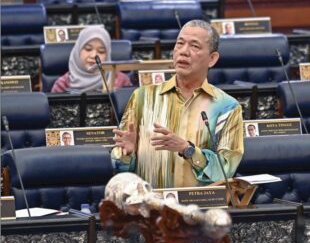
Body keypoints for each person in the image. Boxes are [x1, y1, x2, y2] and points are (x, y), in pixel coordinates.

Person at [112, 20, 244, 189]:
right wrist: (126, 153)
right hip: (150, 207)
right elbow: (118, 167)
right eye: (180, 43)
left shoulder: (227, 107)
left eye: (194, 46)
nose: (183, 51)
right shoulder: (142, 97)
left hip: (199, 209)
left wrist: (187, 149)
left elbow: (226, 171)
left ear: (212, 59)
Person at [51, 26, 132, 93]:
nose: (93, 55)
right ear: (77, 51)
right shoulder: (62, 85)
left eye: (101, 51)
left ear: (107, 55)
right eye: (88, 49)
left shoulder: (122, 82)